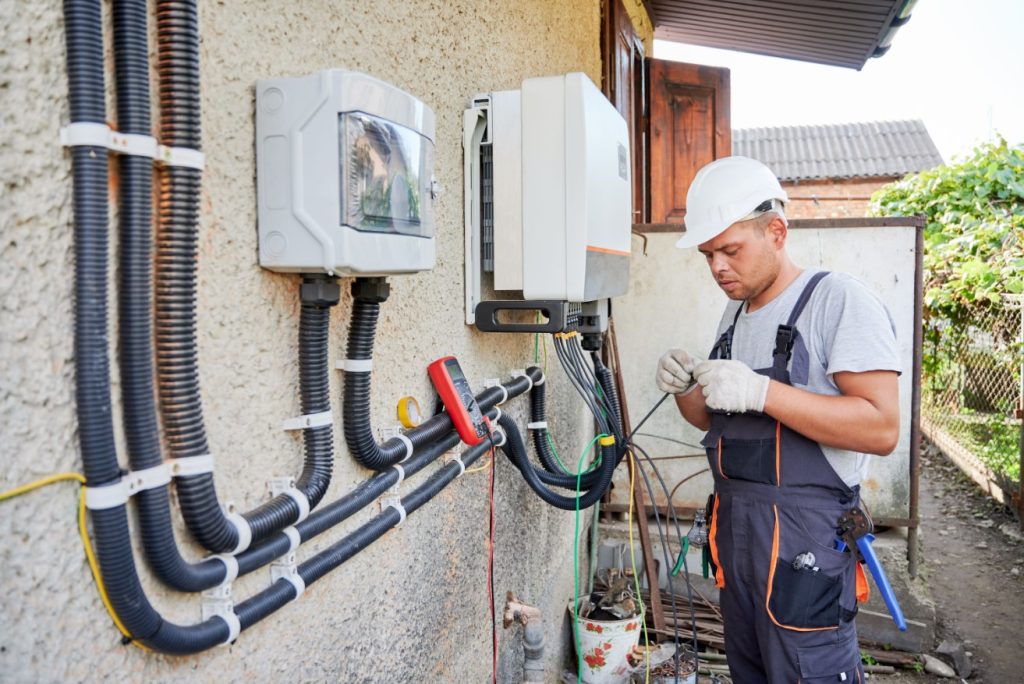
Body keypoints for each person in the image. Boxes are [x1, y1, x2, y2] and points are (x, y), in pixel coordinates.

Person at [655, 156, 901, 682]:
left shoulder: (835, 301)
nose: (718, 266)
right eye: (708, 254)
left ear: (777, 231)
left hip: (803, 551)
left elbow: (881, 428)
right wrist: (685, 389)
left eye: (731, 250)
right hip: (740, 548)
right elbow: (719, 425)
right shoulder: (734, 314)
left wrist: (763, 391)